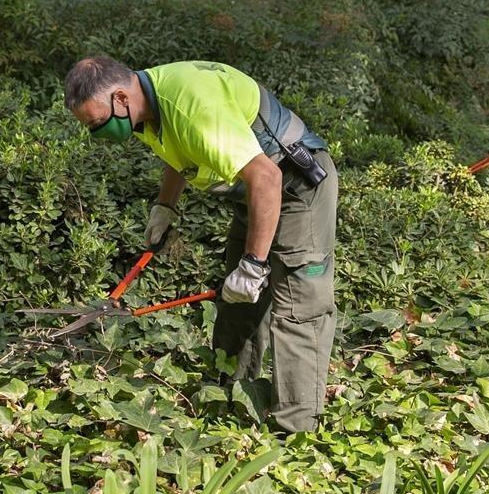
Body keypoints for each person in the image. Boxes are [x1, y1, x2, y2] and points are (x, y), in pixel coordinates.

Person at [64, 57, 338, 434]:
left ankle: (296, 434)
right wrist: (165, 207)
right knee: (237, 299)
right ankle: (230, 393)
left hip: (294, 186)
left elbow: (267, 177)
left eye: (97, 124)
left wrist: (255, 264)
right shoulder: (146, 108)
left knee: (298, 305)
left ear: (121, 98)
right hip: (255, 194)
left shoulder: (191, 106)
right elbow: (180, 152)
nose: (98, 134)